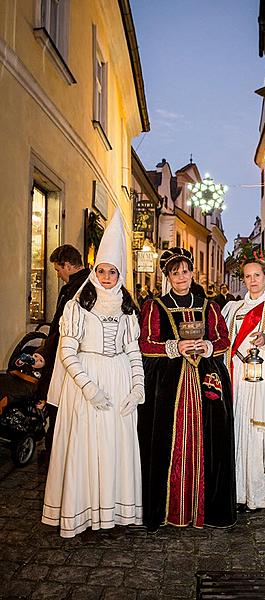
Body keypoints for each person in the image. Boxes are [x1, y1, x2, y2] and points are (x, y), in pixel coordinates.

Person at [42, 209, 144, 538]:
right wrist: (88, 388)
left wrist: (137, 387)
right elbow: (67, 352)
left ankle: (113, 510)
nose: (106, 277)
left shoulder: (128, 309)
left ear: (120, 274)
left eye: (113, 272)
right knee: (86, 446)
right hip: (86, 381)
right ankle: (82, 511)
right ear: (95, 270)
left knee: (115, 446)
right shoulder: (77, 306)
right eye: (101, 270)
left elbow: (133, 350)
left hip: (119, 381)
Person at [138, 247, 236, 532]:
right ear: (167, 276)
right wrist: (175, 347)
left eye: (185, 271)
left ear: (192, 273)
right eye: (174, 272)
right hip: (169, 386)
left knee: (210, 441)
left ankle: (205, 509)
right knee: (167, 441)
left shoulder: (209, 306)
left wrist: (206, 346)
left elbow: (222, 339)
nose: (181, 277)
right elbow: (145, 343)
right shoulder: (155, 306)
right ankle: (169, 509)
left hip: (206, 379)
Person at [222, 250, 265, 512]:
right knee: (239, 429)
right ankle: (240, 492)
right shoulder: (233, 308)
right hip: (237, 379)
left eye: (257, 275)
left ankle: (262, 494)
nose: (252, 280)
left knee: (258, 431)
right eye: (247, 276)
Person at [35, 245, 91, 449]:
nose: (58, 275)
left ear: (67, 265)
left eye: (58, 270)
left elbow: (60, 331)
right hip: (67, 357)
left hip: (67, 360)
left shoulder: (77, 288)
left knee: (60, 418)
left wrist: (44, 353)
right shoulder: (81, 284)